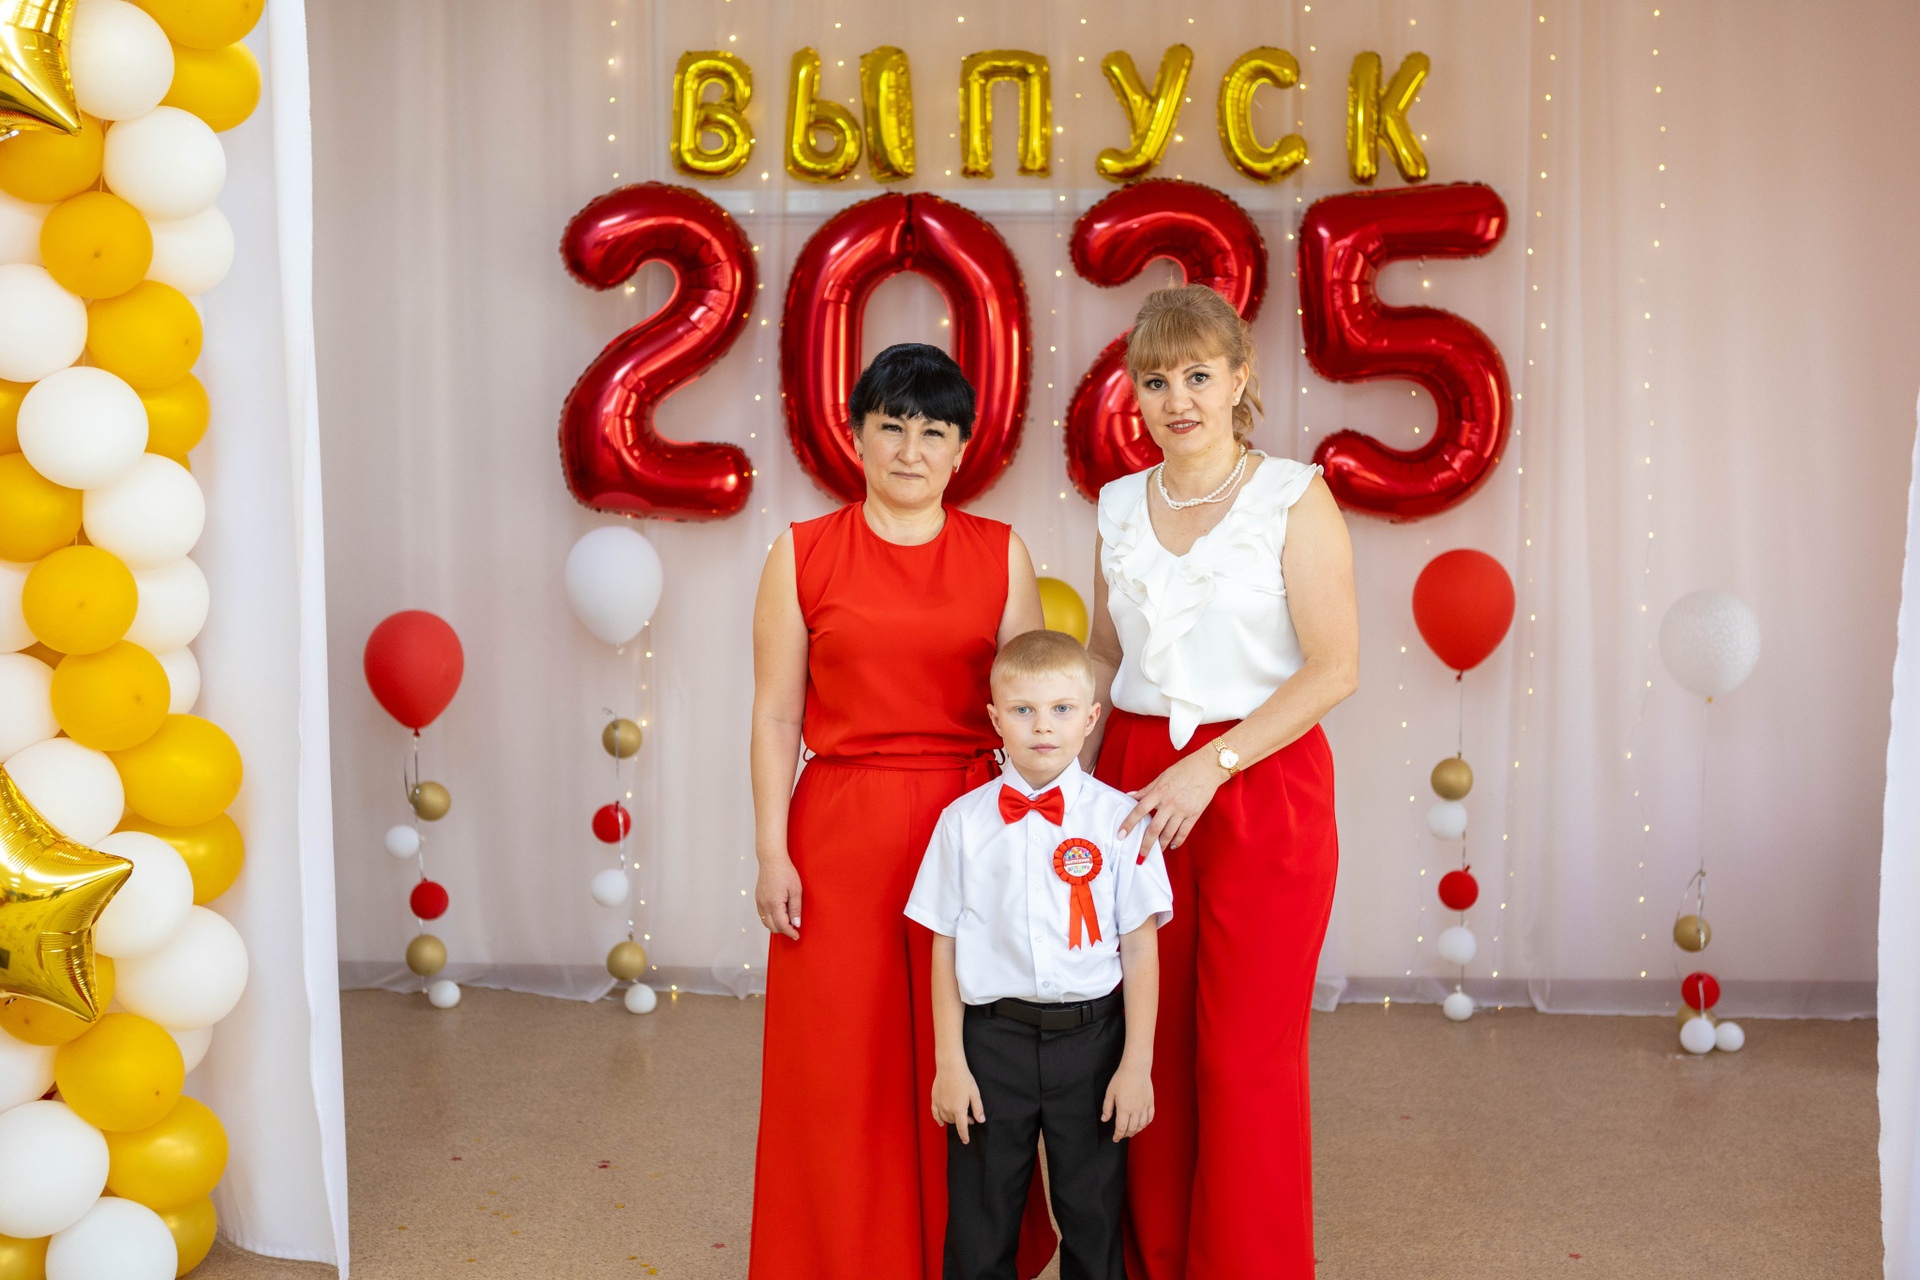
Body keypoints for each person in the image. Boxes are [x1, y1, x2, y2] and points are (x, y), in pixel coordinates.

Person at [748, 343, 1054, 1279]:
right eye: (891, 427)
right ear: (856, 436)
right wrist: (771, 851)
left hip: (972, 822)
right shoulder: (800, 552)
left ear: (961, 448)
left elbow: (1034, 711)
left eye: (934, 431)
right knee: (840, 1060)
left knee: (975, 1050)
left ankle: (964, 1257)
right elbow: (775, 714)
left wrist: (1041, 843)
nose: (911, 450)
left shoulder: (1002, 553)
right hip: (840, 830)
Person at [1083, 285, 1359, 1279]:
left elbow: (1335, 667)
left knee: (1244, 1057)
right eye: (1156, 381)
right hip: (1133, 784)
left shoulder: (1295, 495)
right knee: (1145, 1043)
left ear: (1240, 378)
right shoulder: (1119, 504)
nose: (1178, 399)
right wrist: (1054, 779)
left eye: (1198, 375)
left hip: (1261, 785)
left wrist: (1212, 762)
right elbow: (1105, 657)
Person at [906, 629, 1172, 1280]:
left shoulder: (1122, 821)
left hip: (1093, 1044)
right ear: (995, 719)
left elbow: (1140, 947)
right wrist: (950, 1063)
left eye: (1060, 709)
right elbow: (944, 944)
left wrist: (1137, 1064)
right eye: (1023, 710)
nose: (1043, 726)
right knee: (981, 1219)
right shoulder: (961, 823)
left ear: (1091, 717)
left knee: (1093, 1216)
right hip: (991, 1043)